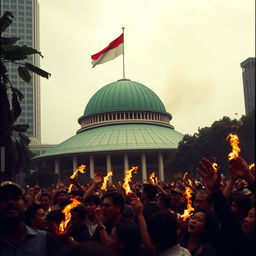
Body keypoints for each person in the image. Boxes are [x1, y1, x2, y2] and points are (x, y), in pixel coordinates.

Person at [0, 181, 59, 256]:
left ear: (25, 205)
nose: (11, 202)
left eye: (16, 198)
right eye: (4, 199)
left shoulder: (47, 240)